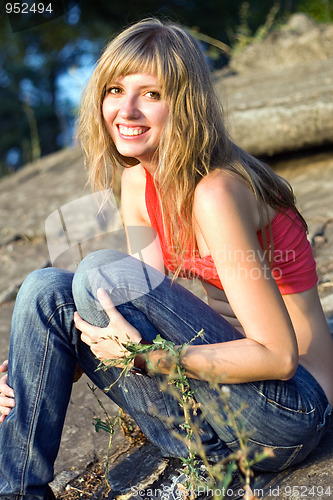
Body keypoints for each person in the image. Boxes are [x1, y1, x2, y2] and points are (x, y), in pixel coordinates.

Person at [0, 17, 332, 500]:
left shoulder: (217, 192)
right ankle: (16, 490)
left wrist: (149, 360)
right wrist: (34, 369)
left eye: (151, 94)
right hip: (207, 420)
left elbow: (280, 357)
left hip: (288, 415)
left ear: (186, 104)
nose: (126, 109)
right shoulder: (138, 182)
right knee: (43, 289)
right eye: (115, 89)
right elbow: (130, 312)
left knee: (97, 269)